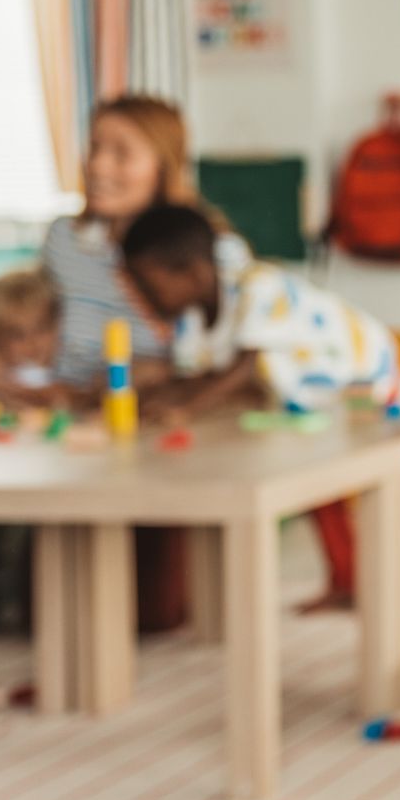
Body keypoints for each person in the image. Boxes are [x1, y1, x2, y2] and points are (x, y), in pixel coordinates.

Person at [119, 203, 400, 612]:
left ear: (191, 271)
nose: (144, 297)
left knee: (383, 478)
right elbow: (199, 375)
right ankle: (346, 582)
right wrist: (160, 397)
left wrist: (183, 410)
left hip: (363, 370)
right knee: (324, 490)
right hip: (309, 401)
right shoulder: (191, 322)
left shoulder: (257, 287)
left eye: (149, 284)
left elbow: (241, 370)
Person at [39, 94, 253, 632]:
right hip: (75, 417)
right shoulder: (65, 240)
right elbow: (35, 323)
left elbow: (234, 356)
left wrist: (165, 378)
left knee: (151, 613)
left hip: (162, 425)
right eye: (94, 148)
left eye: (121, 152)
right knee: (42, 602)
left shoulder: (212, 250)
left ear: (163, 164)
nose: (98, 165)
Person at [0, 268, 72, 411]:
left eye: (41, 329)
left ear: (58, 325)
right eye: (17, 335)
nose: (31, 342)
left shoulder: (67, 367)